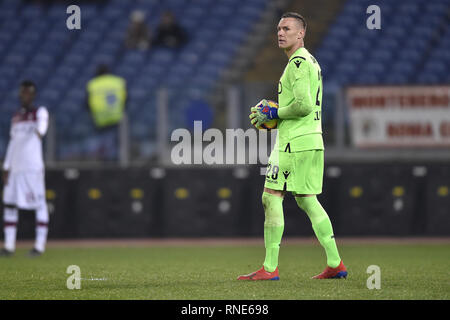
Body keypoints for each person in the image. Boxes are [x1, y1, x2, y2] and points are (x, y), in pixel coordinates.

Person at [240, 12, 347, 280]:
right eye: (278, 28)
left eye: (287, 28)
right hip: (311, 139)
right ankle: (335, 262)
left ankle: (269, 268)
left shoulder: (298, 62)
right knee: (307, 199)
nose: (280, 32)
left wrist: (275, 114)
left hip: (294, 143)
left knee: (271, 195)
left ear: (301, 34)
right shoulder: (311, 61)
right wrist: (278, 118)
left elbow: (303, 105)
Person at [1, 80, 50, 257]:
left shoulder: (39, 112)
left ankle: (39, 245)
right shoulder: (16, 117)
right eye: (23, 92)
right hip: (15, 168)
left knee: (39, 204)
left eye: (29, 92)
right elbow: (12, 143)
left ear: (34, 95)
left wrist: (37, 128)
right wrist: (6, 166)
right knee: (9, 204)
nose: (25, 95)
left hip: (32, 168)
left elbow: (42, 129)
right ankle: (9, 246)